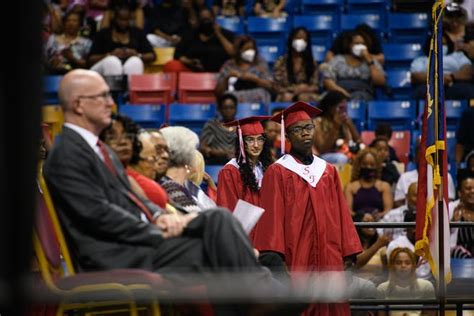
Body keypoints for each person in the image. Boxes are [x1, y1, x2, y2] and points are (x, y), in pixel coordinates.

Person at [43, 69, 298, 314]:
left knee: (217, 219)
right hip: (113, 254)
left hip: (135, 242)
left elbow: (131, 198)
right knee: (215, 248)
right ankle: (264, 297)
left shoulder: (99, 149)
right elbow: (97, 215)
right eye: (102, 96)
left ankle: (261, 296)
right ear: (78, 104)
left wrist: (160, 216)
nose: (111, 103)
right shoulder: (67, 153)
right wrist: (157, 228)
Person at [253, 101, 362, 316]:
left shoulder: (328, 171)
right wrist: (277, 259)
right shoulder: (278, 172)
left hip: (329, 255)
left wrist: (348, 250)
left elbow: (341, 213)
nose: (305, 134)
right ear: (288, 135)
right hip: (297, 257)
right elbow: (272, 221)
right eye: (297, 129)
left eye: (309, 127)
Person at [217, 116, 273, 213]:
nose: (256, 145)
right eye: (250, 140)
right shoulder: (230, 171)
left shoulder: (267, 168)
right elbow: (227, 207)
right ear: (241, 142)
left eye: (260, 139)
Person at [88, 5, 155, 76]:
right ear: (114, 18)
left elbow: (152, 55)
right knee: (112, 61)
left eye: (126, 20)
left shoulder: (137, 33)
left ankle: (130, 87)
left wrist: (137, 54)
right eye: (121, 19)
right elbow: (90, 59)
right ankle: (113, 87)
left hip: (127, 65)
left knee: (136, 61)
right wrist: (110, 54)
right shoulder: (103, 33)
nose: (123, 23)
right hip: (103, 69)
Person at [321, 30, 386, 101]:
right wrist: (343, 93)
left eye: (363, 44)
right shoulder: (337, 60)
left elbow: (380, 82)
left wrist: (369, 61)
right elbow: (328, 80)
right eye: (357, 43)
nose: (360, 47)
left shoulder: (371, 61)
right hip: (339, 93)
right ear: (349, 45)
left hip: (362, 94)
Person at [166, 7, 235, 72]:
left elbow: (233, 53)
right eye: (203, 20)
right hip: (193, 71)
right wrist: (188, 61)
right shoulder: (190, 34)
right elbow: (177, 53)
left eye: (207, 19)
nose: (205, 22)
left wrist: (219, 34)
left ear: (214, 19)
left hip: (219, 72)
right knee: (172, 65)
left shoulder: (225, 34)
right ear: (198, 20)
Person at [410, 32, 473, 100]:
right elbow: (415, 76)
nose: (441, 46)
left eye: (444, 44)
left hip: (454, 84)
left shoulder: (458, 56)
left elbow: (468, 71)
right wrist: (438, 78)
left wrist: (451, 77)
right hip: (431, 85)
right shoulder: (421, 60)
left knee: (467, 90)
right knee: (420, 92)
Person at [215, 35, 274, 104]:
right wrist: (227, 78)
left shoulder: (260, 64)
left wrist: (255, 79)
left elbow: (272, 87)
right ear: (239, 50)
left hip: (257, 98)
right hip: (235, 99)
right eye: (247, 49)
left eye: (253, 49)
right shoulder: (228, 66)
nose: (251, 52)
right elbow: (218, 92)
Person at [376, 248, 435, 315]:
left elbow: (430, 314)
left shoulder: (426, 286)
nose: (403, 266)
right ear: (392, 266)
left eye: (407, 263)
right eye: (398, 263)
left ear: (413, 266)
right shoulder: (382, 288)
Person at [313, 91, 361, 165]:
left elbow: (358, 142)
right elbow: (322, 149)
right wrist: (335, 126)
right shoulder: (318, 122)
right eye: (341, 108)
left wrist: (350, 125)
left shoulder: (345, 122)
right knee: (341, 158)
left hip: (344, 153)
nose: (343, 111)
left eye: (345, 108)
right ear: (330, 107)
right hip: (324, 157)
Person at [344, 148, 393, 220]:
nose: (368, 167)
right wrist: (361, 217)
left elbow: (388, 210)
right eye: (365, 164)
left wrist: (376, 217)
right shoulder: (350, 187)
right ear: (359, 165)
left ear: (377, 166)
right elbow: (348, 211)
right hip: (357, 224)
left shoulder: (384, 186)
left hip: (379, 225)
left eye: (372, 164)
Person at [273, 27, 320, 102]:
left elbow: (316, 86)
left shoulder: (311, 62)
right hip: (286, 93)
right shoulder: (281, 61)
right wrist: (294, 90)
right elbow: (276, 86)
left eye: (304, 39)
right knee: (287, 97)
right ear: (292, 39)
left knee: (303, 97)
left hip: (306, 93)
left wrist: (306, 88)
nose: (300, 41)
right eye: (298, 38)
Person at [352, 213, 390, 284]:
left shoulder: (382, 247)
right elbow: (356, 263)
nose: (371, 224)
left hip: (376, 285)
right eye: (366, 222)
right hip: (355, 286)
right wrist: (377, 245)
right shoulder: (352, 246)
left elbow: (387, 272)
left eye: (372, 221)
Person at [200, 93, 237, 164]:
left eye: (231, 107)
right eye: (225, 108)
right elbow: (203, 148)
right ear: (219, 109)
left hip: (237, 163)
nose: (228, 111)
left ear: (236, 109)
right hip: (215, 162)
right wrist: (218, 153)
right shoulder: (211, 125)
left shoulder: (241, 126)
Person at [450, 175, 474, 258]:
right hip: (459, 255)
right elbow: (441, 236)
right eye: (468, 188)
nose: (472, 191)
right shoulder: (451, 208)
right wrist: (453, 222)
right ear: (460, 193)